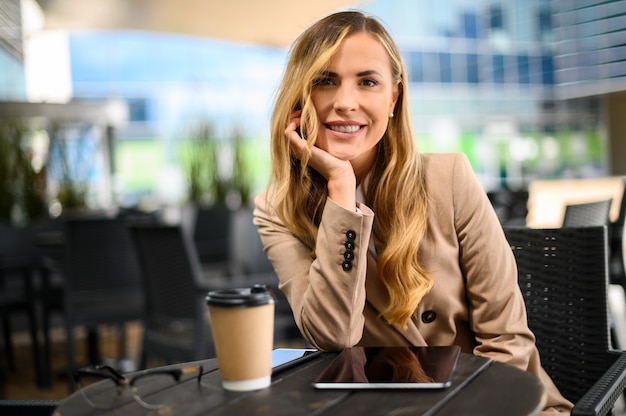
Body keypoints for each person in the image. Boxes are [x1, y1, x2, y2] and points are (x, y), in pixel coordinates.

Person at [253, 10, 573, 414]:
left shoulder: (449, 178)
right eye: (324, 80)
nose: (344, 102)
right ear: (301, 96)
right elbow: (332, 336)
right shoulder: (277, 210)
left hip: (498, 401)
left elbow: (507, 340)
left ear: (394, 97)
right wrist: (341, 193)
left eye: (367, 81)